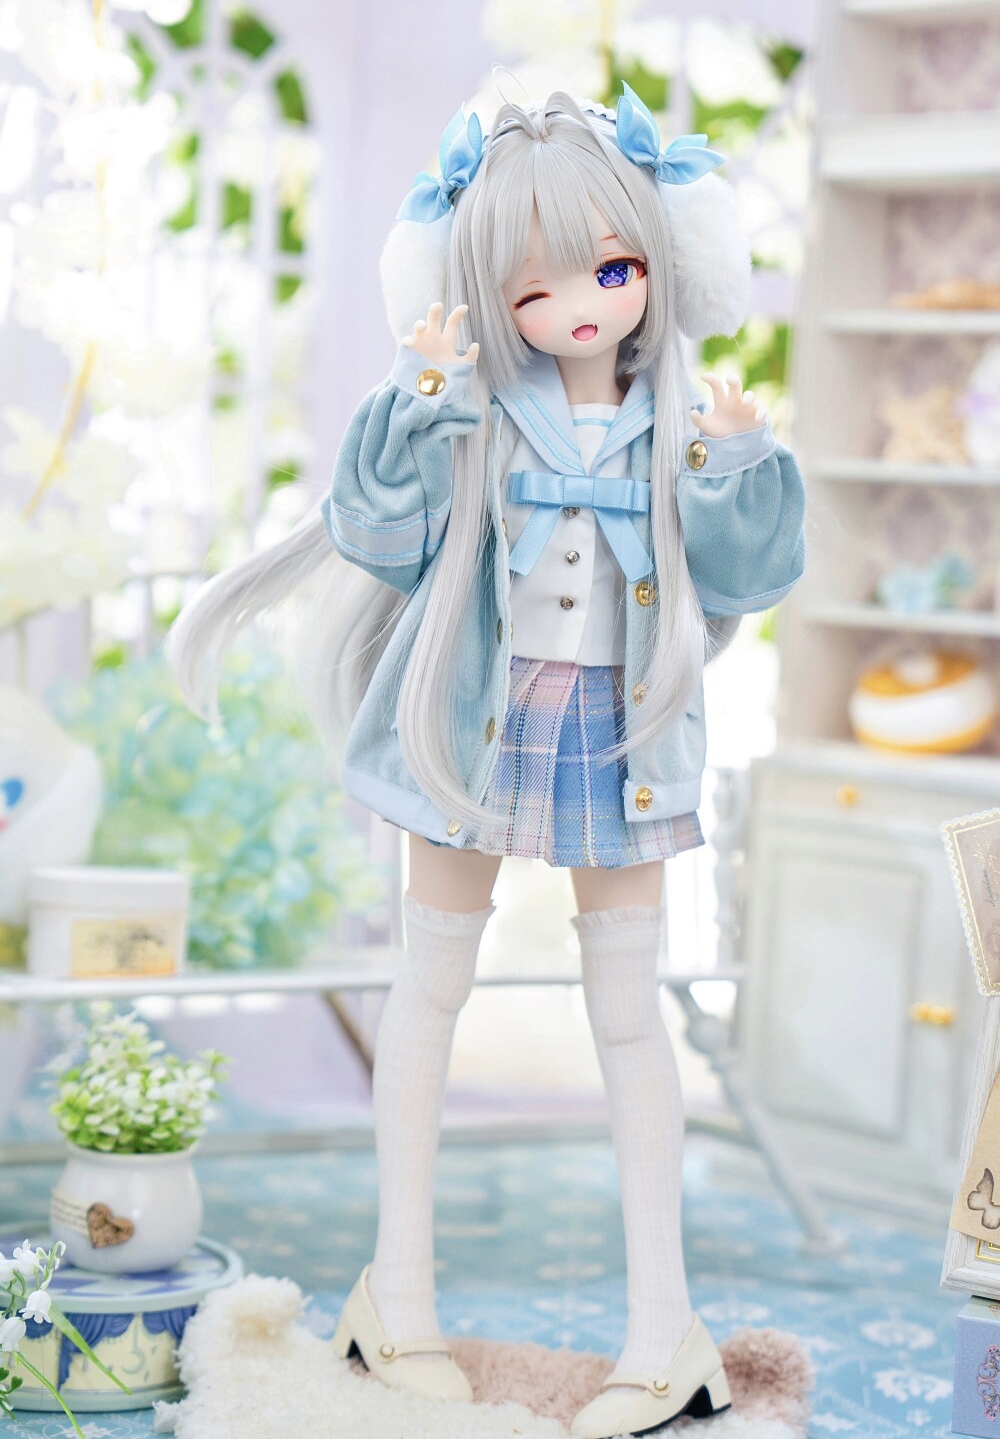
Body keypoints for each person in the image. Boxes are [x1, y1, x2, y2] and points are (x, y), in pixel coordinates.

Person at [170, 84, 806, 1439]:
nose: (581, 307)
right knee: (432, 987)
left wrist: (738, 468)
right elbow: (383, 536)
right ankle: (395, 1296)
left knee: (629, 1015)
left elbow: (747, 578)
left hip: (622, 739)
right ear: (486, 296)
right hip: (469, 730)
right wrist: (418, 402)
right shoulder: (474, 413)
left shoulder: (681, 426)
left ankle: (664, 1329)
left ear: (662, 267)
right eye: (536, 289)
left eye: (613, 270)